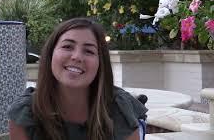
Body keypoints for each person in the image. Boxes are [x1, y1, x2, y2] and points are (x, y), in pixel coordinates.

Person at [8, 17, 148, 140]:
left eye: (88, 51)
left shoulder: (120, 109)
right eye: (68, 46)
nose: (77, 57)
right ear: (50, 55)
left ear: (101, 63)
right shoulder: (25, 112)